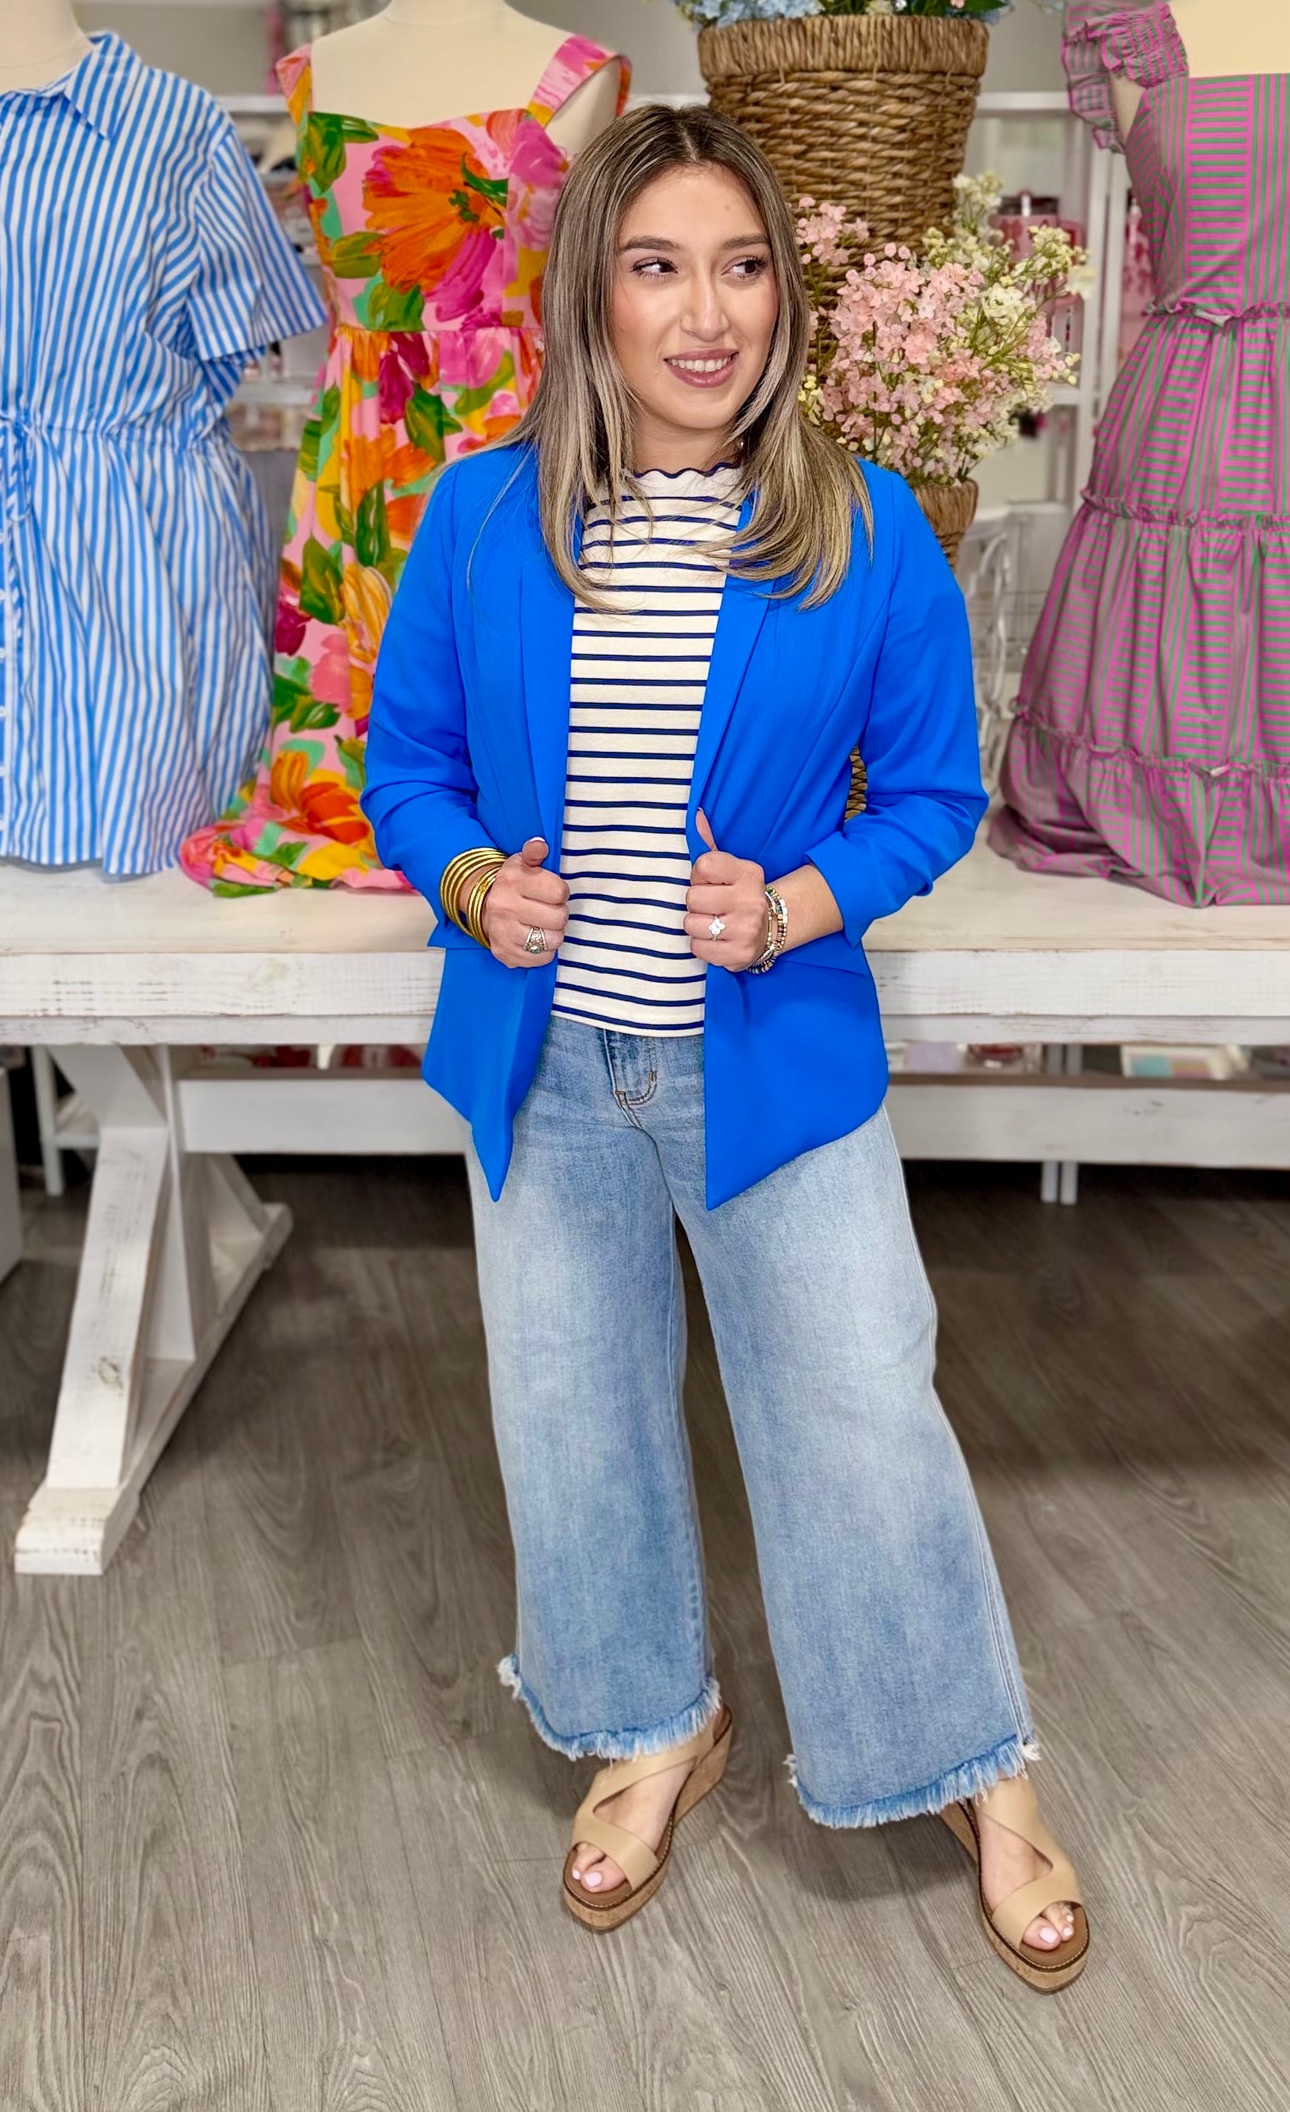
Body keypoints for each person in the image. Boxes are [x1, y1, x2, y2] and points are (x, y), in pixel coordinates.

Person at [365, 103, 1088, 1991]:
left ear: (784, 293)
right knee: (572, 1414)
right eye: (660, 267)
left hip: (770, 1061)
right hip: (550, 1068)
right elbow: (407, 770)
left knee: (858, 1406)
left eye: (744, 266)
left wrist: (798, 903)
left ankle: (966, 1758)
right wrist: (470, 884)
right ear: (591, 294)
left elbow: (934, 799)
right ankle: (649, 1725)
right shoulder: (479, 515)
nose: (709, 315)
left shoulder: (864, 529)